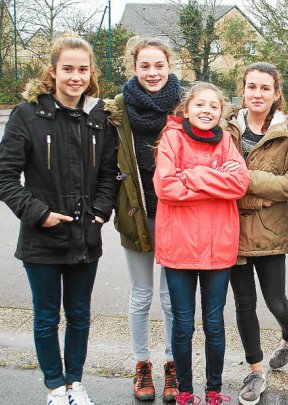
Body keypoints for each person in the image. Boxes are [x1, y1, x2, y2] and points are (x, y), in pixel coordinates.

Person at [0, 34, 119, 405]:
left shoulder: (100, 117)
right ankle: (54, 386)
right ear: (52, 71)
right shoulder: (27, 114)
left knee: (80, 314)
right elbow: (6, 177)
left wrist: (100, 213)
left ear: (91, 72)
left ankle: (75, 384)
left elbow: (109, 173)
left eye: (83, 69)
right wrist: (40, 214)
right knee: (46, 316)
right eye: (68, 69)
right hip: (42, 238)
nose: (75, 77)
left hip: (86, 237)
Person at [153, 82, 250, 405]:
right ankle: (184, 390)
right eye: (200, 105)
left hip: (218, 246)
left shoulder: (226, 142)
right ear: (186, 109)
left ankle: (213, 390)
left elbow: (239, 184)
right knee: (183, 325)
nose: (206, 111)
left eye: (214, 106)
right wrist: (213, 177)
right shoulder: (171, 138)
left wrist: (192, 175)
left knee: (214, 324)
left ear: (221, 113)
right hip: (179, 248)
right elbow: (166, 188)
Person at [224, 62, 288, 405]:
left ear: (276, 94)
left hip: (270, 232)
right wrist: (255, 196)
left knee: (276, 303)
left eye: (265, 88)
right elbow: (216, 176)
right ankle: (255, 371)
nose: (257, 94)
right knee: (244, 304)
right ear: (242, 90)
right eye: (251, 87)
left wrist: (244, 178)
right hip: (231, 230)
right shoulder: (226, 128)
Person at [112, 36, 182, 402]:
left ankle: (173, 364)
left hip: (175, 216)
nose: (152, 72)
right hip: (136, 215)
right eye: (145, 66)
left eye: (159, 65)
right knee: (141, 296)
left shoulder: (184, 105)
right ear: (134, 68)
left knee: (171, 299)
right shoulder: (117, 109)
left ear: (169, 66)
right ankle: (142, 365)